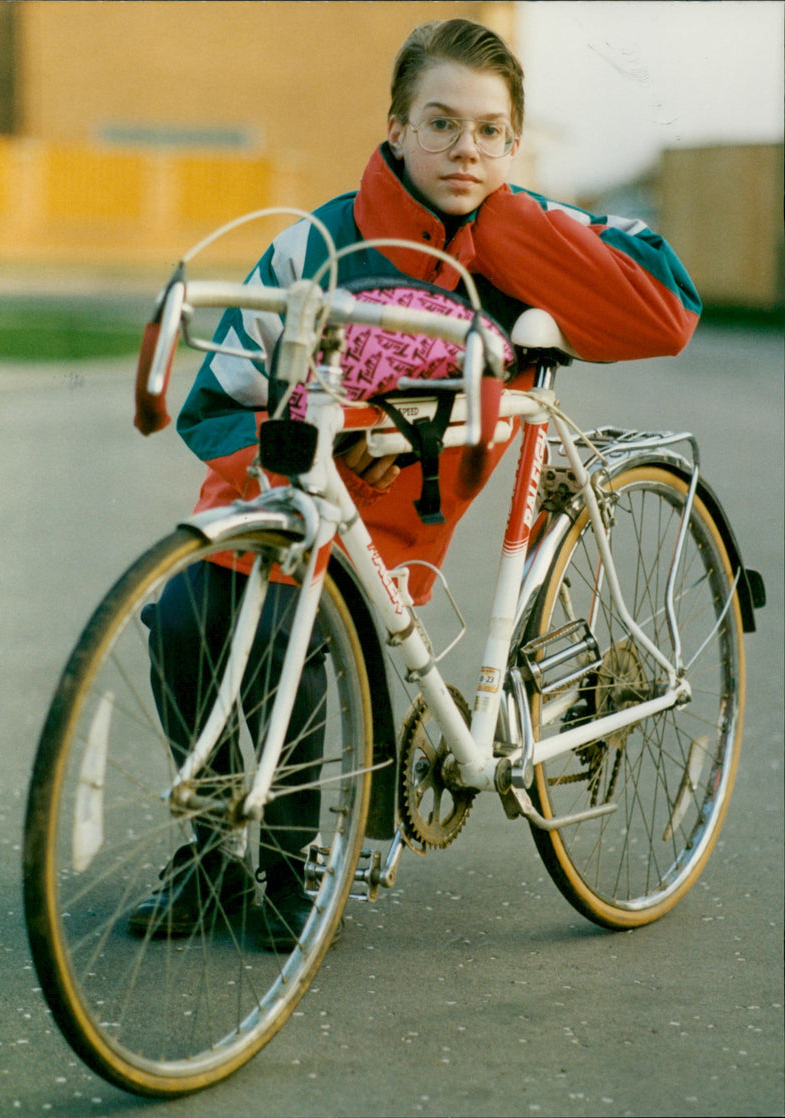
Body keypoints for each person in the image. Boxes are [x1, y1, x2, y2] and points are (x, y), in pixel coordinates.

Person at [128, 17, 700, 947]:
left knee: (299, 626)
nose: (463, 149)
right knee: (190, 615)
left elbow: (668, 313)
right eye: (439, 124)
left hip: (397, 534)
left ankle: (285, 863)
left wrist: (505, 223)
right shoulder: (316, 242)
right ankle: (206, 856)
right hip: (282, 501)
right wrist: (311, 451)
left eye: (489, 131)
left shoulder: (522, 232)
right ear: (395, 128)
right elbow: (213, 402)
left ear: (515, 142)